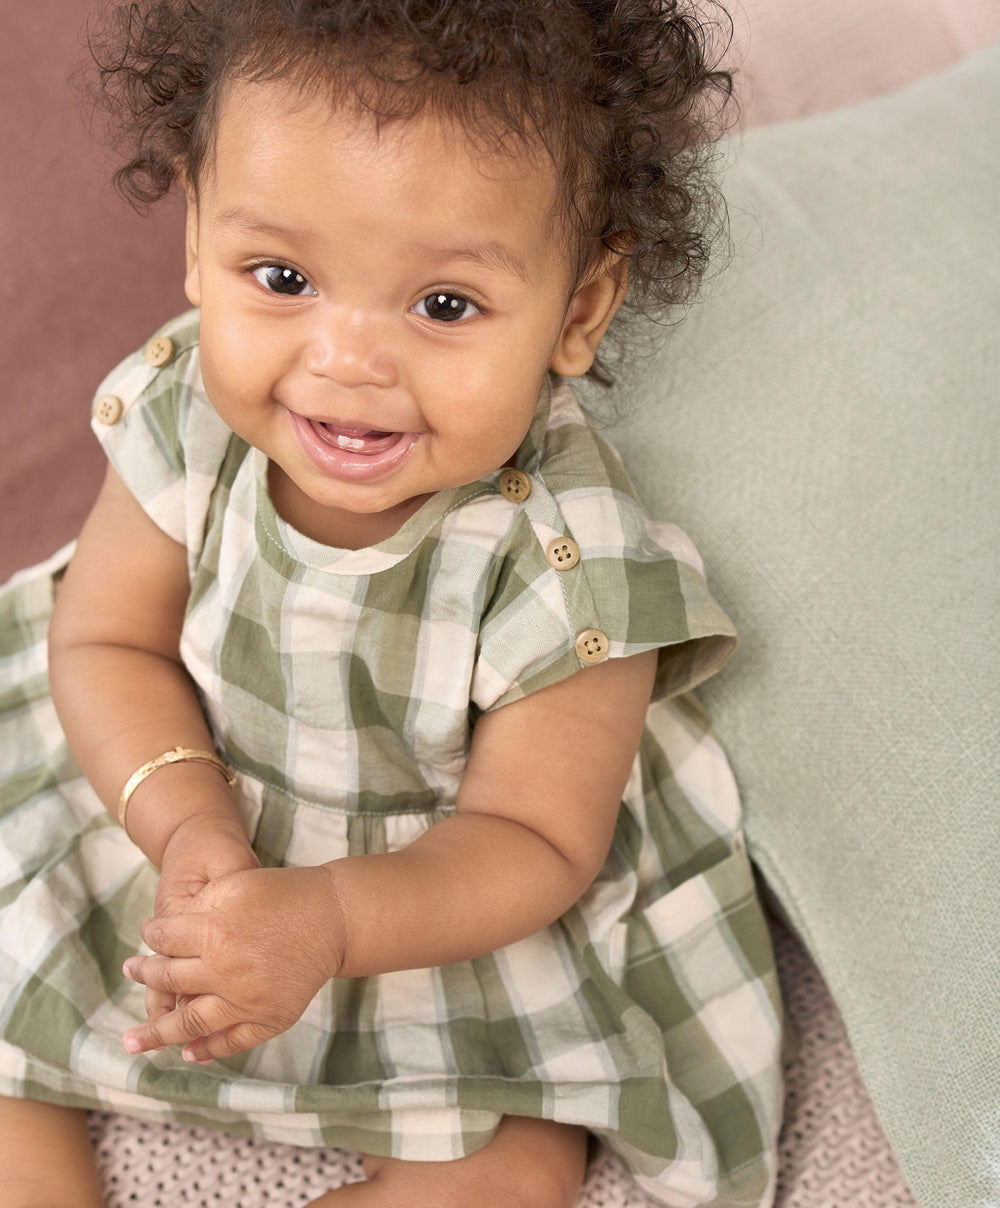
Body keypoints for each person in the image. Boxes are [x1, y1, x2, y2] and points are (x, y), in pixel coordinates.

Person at [0, 1, 784, 1204]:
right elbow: (107, 639)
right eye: (283, 278)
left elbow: (533, 839)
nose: (348, 360)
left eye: (444, 305)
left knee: (519, 1164)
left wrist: (328, 919)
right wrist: (190, 829)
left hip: (432, 897)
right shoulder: (186, 410)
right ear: (198, 232)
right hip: (164, 793)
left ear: (577, 309)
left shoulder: (564, 555)